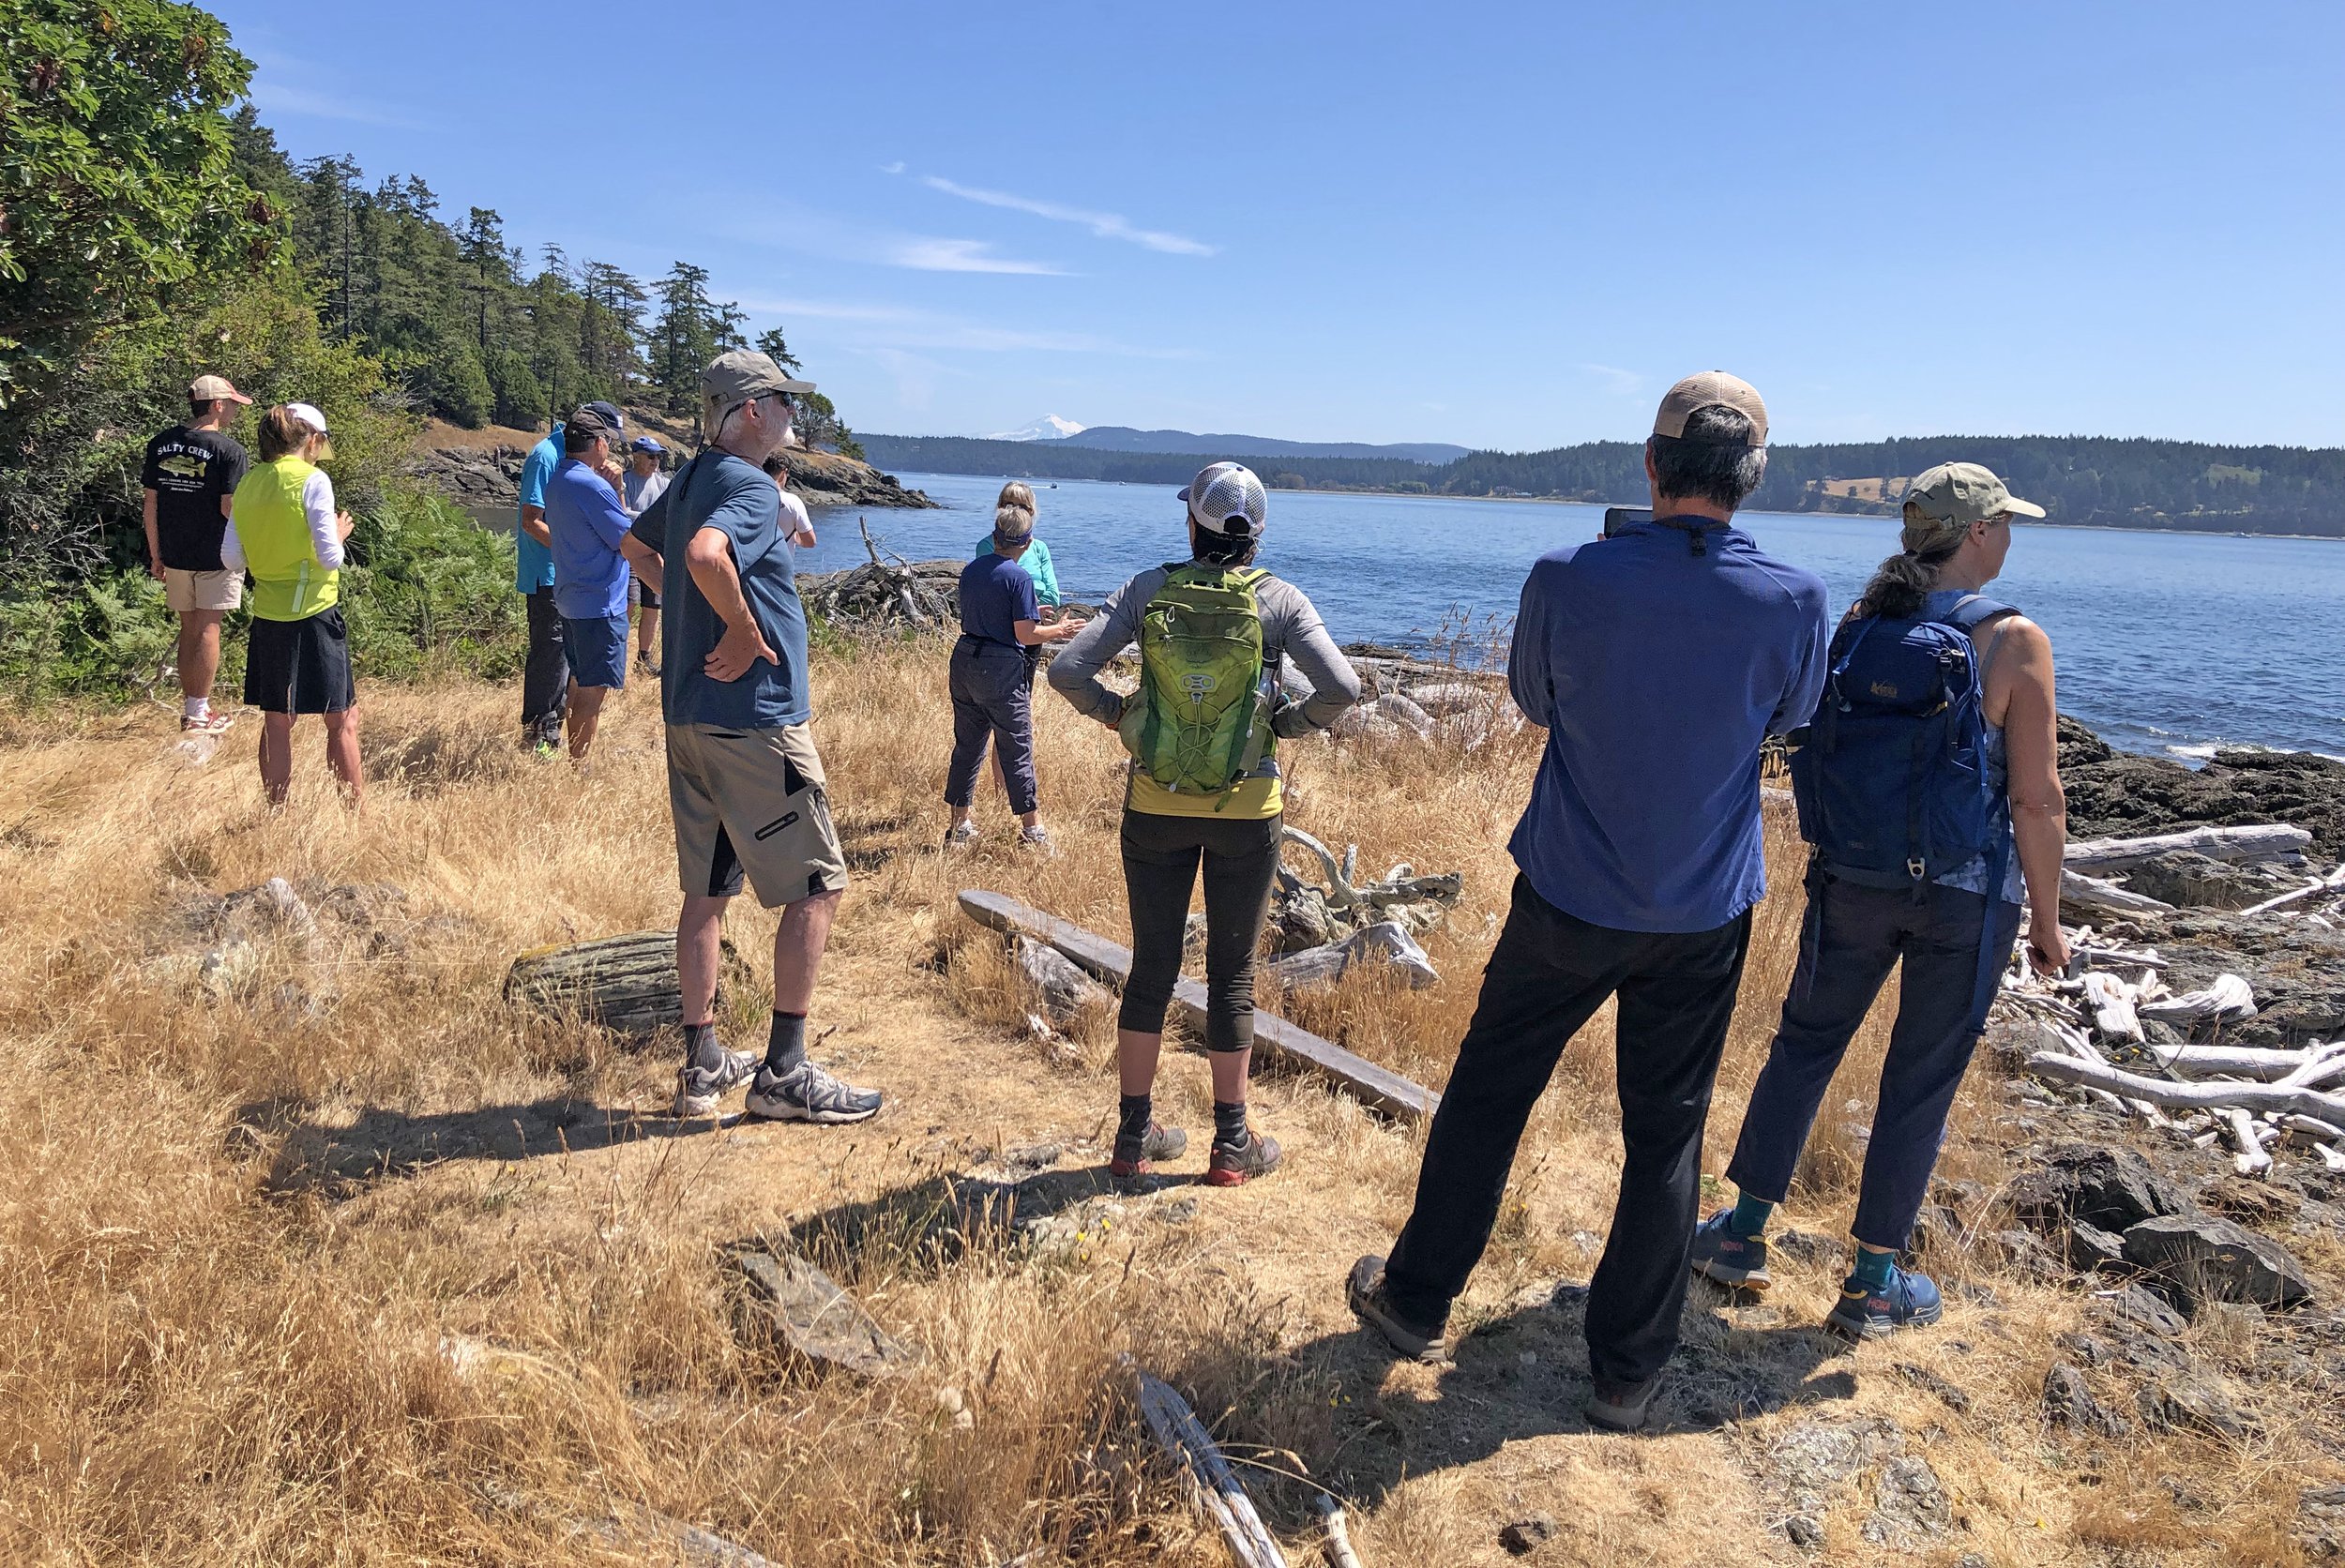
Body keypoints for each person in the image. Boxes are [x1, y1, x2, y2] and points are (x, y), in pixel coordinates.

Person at [1345, 374, 1828, 1433]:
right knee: (1666, 1133)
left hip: (1568, 889)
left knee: (1489, 1091)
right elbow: (1790, 717)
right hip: (1702, 906)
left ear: (1650, 467)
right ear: (1751, 480)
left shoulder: (1567, 576)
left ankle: (1416, 1301)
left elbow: (1530, 697)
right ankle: (1624, 1374)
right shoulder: (1793, 599)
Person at [1689, 461, 2068, 1339]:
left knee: (1803, 1048)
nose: (2011, 537)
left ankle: (1741, 1236)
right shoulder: (2014, 641)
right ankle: (1870, 1285)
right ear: (1975, 534)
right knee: (1918, 1083)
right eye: (2005, 523)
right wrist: (2047, 922)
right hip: (1963, 899)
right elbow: (2037, 800)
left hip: (1850, 882)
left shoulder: (1860, 626)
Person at [1048, 462, 1361, 1187]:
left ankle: (1132, 1137)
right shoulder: (1279, 600)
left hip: (1154, 804)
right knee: (1233, 978)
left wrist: (1119, 715)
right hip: (1246, 812)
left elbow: (1067, 669)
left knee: (1151, 969)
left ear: (1191, 523)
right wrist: (1285, 724)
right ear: (1256, 534)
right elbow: (1343, 687)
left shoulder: (1146, 589)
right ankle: (1230, 1145)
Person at [628, 351, 880, 1125]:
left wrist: (696, 616)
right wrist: (738, 628)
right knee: (817, 885)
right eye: (783, 402)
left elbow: (640, 550)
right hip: (754, 725)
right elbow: (704, 556)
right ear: (747, 412)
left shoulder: (688, 480)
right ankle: (784, 1072)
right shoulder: (741, 483)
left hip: (689, 720)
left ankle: (702, 1063)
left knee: (706, 894)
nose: (793, 417)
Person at [222, 403, 362, 807]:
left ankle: (277, 812)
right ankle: (355, 815)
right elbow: (329, 558)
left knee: (277, 720)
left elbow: (231, 559)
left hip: (268, 615)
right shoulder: (313, 481)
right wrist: (337, 533)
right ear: (313, 441)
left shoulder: (249, 482)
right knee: (342, 719)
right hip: (315, 615)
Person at [945, 499, 1082, 847]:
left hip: (964, 660)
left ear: (995, 537)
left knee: (968, 746)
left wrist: (1030, 609)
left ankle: (959, 826)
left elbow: (987, 610)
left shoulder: (972, 569)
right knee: (1017, 746)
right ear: (1027, 542)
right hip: (1000, 668)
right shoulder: (1019, 577)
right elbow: (1025, 634)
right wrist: (1059, 630)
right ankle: (1032, 830)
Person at [141, 374, 253, 734]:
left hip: (174, 553)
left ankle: (192, 710)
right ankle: (199, 713)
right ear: (217, 405)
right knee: (208, 629)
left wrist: (156, 554)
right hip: (215, 556)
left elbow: (151, 503)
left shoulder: (160, 444)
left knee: (189, 628)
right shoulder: (230, 451)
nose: (235, 410)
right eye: (233, 404)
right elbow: (230, 508)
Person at [516, 399, 625, 756]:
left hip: (567, 573)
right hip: (549, 573)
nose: (610, 447)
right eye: (609, 437)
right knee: (551, 656)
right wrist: (569, 550)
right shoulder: (547, 456)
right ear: (595, 437)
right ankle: (538, 737)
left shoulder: (575, 464)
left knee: (571, 664)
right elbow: (530, 520)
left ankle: (556, 735)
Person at [543, 406, 636, 765]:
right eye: (608, 443)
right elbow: (626, 538)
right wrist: (619, 489)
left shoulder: (559, 479)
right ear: (599, 443)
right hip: (599, 603)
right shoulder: (593, 486)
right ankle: (579, 765)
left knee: (580, 680)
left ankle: (573, 755)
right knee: (593, 690)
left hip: (571, 598)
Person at [623, 436, 670, 676]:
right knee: (629, 603)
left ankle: (644, 659)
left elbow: (671, 513)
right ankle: (618, 655)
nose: (655, 461)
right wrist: (651, 520)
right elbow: (623, 513)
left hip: (656, 553)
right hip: (631, 553)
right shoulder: (624, 481)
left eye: (658, 456)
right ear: (637, 456)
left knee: (653, 607)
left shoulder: (663, 483)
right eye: (651, 456)